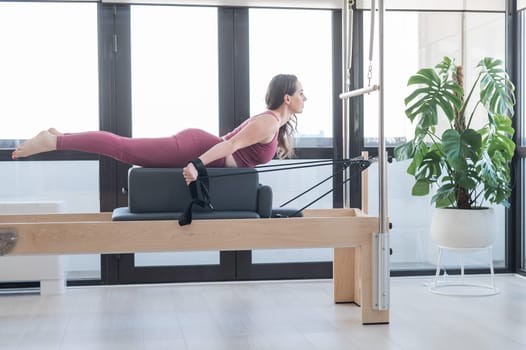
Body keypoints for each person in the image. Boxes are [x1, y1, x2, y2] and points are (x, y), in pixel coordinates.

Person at [12, 74, 307, 184]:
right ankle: (54, 140)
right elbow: (228, 146)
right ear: (287, 97)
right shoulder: (268, 122)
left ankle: (59, 137)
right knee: (124, 148)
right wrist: (196, 164)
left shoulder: (275, 125)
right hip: (196, 147)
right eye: (302, 92)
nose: (305, 98)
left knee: (124, 148)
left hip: (201, 149)